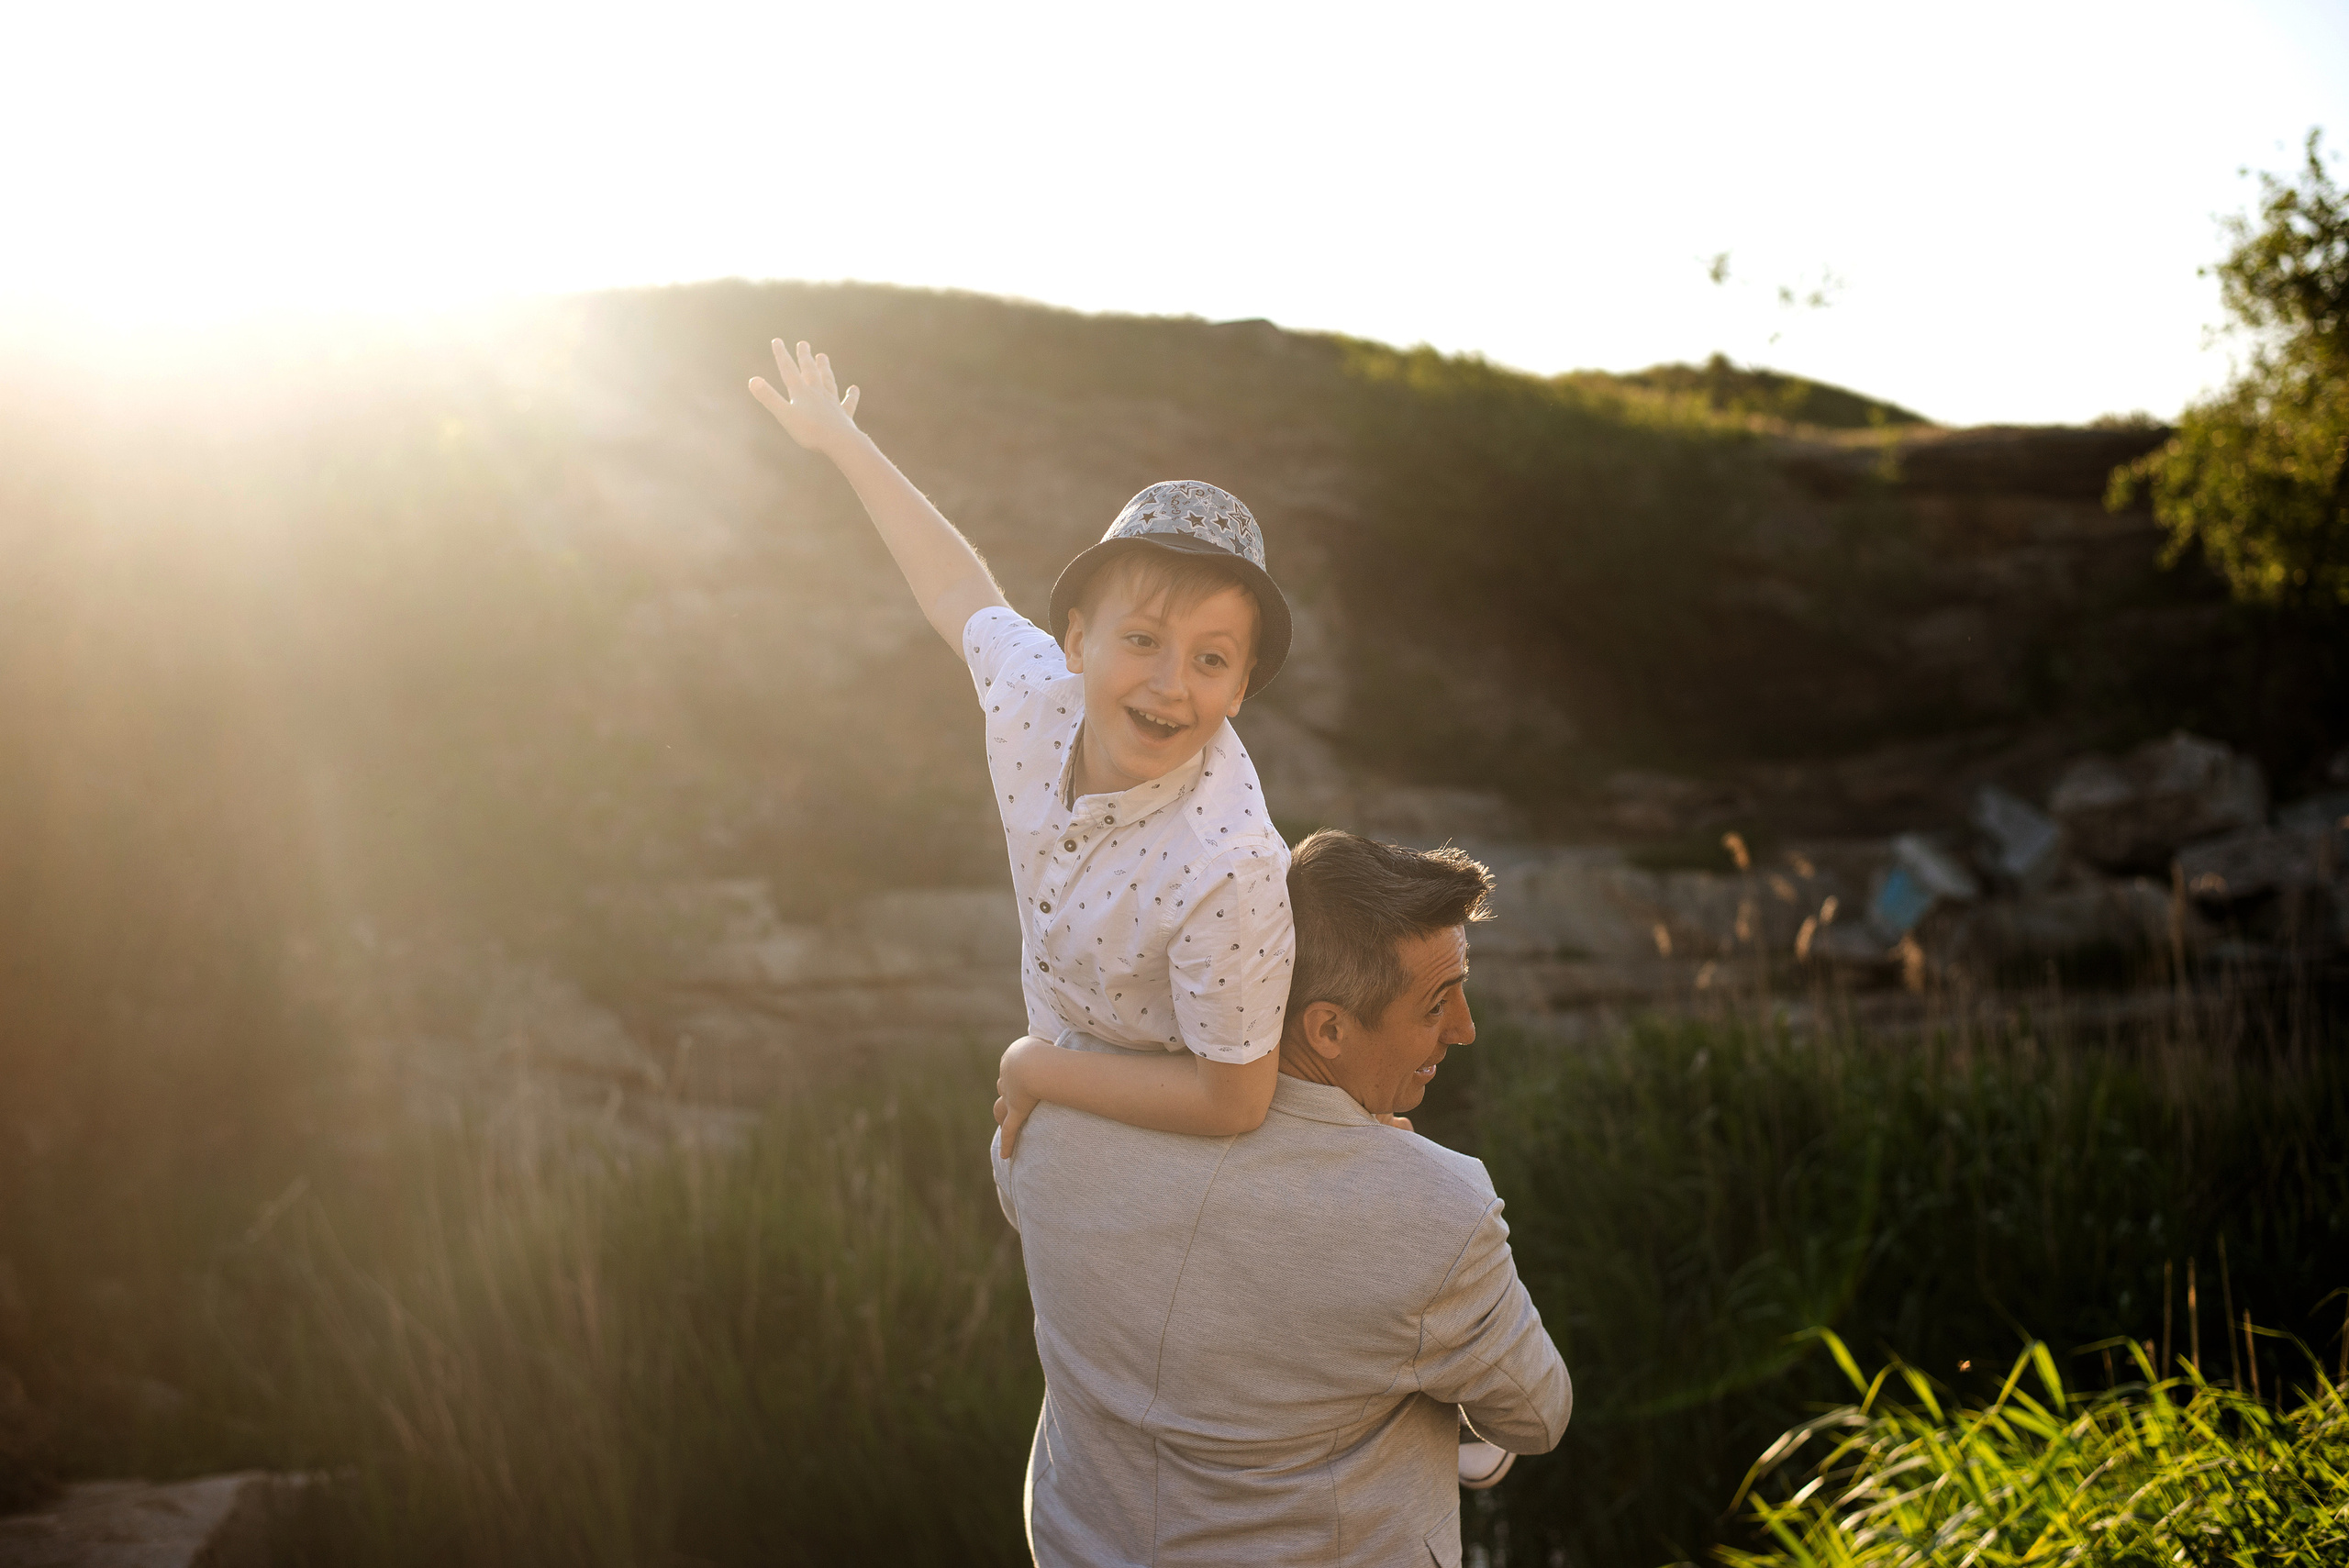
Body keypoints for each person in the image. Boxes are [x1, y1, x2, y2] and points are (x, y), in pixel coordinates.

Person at [749, 339, 1300, 1144]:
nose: (1172, 682)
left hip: (1177, 1122)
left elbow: (1235, 1103)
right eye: (1143, 639)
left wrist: (1035, 1067)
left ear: (1242, 687)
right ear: (1077, 645)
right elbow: (954, 587)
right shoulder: (1037, 693)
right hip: (1064, 1070)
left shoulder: (1227, 862)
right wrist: (843, 441)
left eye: (1211, 659)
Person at [991, 829, 1572, 1565]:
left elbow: (1026, 1200)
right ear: (1327, 1027)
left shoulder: (1057, 1102)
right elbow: (1536, 1414)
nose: (1465, 1029)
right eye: (1435, 1006)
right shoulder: (1438, 1210)